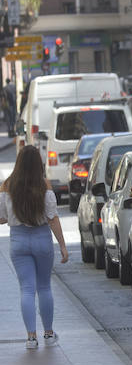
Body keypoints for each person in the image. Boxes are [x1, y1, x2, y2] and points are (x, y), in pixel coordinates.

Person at [0, 145, 68, 350]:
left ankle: (31, 338)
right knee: (44, 287)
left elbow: (2, 217)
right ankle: (48, 333)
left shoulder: (7, 187)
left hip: (18, 241)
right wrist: (63, 246)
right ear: (38, 163)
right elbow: (52, 218)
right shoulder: (44, 186)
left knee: (27, 289)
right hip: (41, 239)